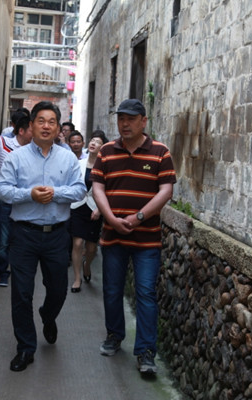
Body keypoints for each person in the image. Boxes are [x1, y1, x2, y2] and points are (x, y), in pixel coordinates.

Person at [0, 101, 86, 372]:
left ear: (58, 128)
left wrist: (55, 193)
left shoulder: (68, 159)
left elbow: (80, 190)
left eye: (52, 122)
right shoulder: (16, 157)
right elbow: (1, 189)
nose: (46, 126)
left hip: (57, 235)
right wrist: (29, 194)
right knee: (22, 293)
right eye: (41, 121)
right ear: (31, 125)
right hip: (24, 234)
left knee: (58, 289)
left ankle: (48, 314)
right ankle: (25, 348)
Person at [91, 99, 176, 375]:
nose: (124, 124)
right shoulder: (106, 152)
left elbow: (166, 191)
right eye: (121, 119)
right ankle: (114, 335)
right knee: (112, 290)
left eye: (130, 119)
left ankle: (146, 352)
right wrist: (111, 219)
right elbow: (98, 188)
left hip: (146, 240)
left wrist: (138, 217)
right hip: (113, 236)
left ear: (144, 121)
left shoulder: (160, 152)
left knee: (146, 293)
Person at [0, 101, 32, 287]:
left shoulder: (33, 150)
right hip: (5, 200)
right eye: (31, 130)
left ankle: (20, 271)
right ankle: (3, 272)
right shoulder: (3, 143)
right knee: (3, 238)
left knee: (22, 238)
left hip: (24, 200)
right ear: (21, 131)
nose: (34, 133)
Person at [69, 130, 108, 292]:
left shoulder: (106, 167)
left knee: (91, 248)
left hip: (94, 209)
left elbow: (108, 191)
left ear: (103, 147)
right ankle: (77, 278)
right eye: (92, 140)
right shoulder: (78, 163)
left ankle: (87, 265)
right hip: (77, 206)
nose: (94, 143)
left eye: (98, 142)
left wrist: (100, 209)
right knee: (77, 243)